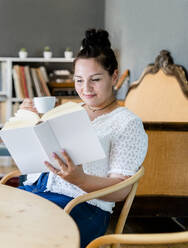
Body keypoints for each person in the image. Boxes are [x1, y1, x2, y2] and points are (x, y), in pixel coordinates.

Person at [18, 29, 148, 247]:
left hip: (83, 206)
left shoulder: (127, 123)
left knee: (21, 232)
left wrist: (80, 179)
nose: (85, 88)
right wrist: (25, 122)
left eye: (95, 80)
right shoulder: (67, 111)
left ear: (114, 76)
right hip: (37, 191)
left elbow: (121, 189)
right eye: (79, 80)